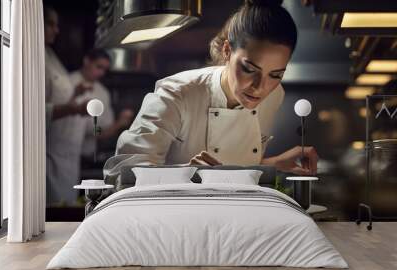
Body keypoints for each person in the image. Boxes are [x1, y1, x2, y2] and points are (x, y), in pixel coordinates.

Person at [104, 0, 319, 179]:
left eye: (276, 75)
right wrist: (186, 175)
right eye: (249, 69)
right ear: (227, 51)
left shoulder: (274, 96)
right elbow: (120, 174)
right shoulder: (178, 94)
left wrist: (274, 164)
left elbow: (231, 167)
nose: (260, 88)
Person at [44, 6, 91, 205]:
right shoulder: (32, 57)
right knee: (54, 207)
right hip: (50, 152)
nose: (56, 30)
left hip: (68, 155)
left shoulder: (50, 55)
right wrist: (75, 109)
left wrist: (75, 94)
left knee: (66, 205)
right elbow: (33, 110)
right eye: (51, 24)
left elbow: (56, 97)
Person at [69, 49, 134, 160]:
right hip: (65, 151)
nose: (101, 73)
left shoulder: (102, 92)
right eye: (98, 67)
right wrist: (118, 123)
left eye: (104, 69)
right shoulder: (68, 83)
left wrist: (119, 123)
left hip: (88, 155)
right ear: (86, 61)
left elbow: (101, 128)